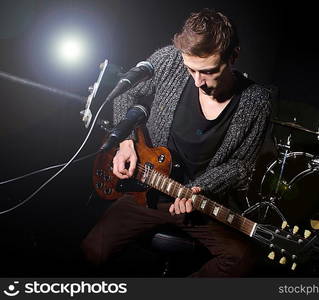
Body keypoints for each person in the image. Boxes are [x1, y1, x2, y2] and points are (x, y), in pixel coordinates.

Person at [82, 8, 271, 277]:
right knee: (93, 251)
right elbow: (126, 94)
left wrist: (198, 189)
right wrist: (125, 141)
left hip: (199, 203)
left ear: (234, 56)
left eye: (208, 71)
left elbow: (242, 166)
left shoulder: (257, 100)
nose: (198, 82)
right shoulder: (169, 60)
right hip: (146, 189)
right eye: (190, 70)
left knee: (245, 258)